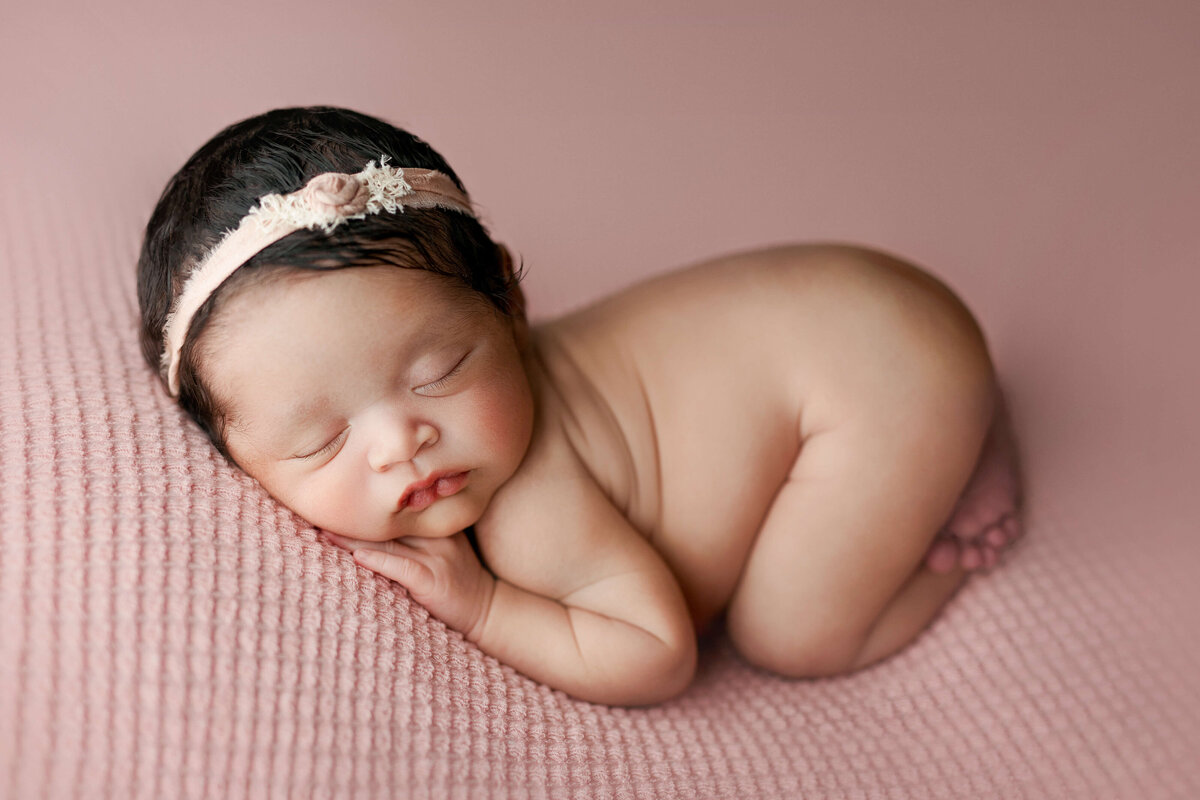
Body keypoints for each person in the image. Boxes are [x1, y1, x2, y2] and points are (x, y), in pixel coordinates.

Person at [137, 106, 1023, 706]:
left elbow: (657, 653)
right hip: (856, 301)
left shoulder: (529, 504)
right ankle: (955, 420)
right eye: (320, 438)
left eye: (440, 370)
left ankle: (956, 491)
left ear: (513, 310)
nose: (400, 442)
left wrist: (484, 607)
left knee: (795, 635)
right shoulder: (460, 415)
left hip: (885, 370)